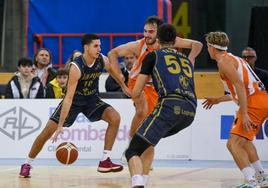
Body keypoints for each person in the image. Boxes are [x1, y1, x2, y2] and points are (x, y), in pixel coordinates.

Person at [19, 34, 131, 178]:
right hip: (74, 101)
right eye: (96, 46)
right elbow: (69, 98)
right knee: (47, 132)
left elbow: (113, 72)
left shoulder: (102, 59)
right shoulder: (76, 67)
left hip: (92, 100)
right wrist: (60, 126)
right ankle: (27, 163)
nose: (99, 49)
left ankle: (105, 160)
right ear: (86, 47)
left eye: (100, 45)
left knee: (115, 118)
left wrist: (124, 86)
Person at [108, 16, 202, 177]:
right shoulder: (139, 45)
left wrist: (192, 57)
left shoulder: (169, 41)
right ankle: (131, 143)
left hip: (156, 86)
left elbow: (197, 44)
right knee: (142, 109)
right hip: (138, 81)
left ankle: (142, 160)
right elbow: (112, 53)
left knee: (151, 124)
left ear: (159, 33)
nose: (147, 35)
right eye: (145, 31)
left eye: (151, 31)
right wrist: (121, 81)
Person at [203, 31, 268, 188]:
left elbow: (239, 86)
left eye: (207, 46)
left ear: (211, 47)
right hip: (261, 99)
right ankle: (262, 178)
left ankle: (251, 182)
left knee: (233, 144)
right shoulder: (232, 58)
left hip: (254, 102)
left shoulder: (223, 62)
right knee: (245, 142)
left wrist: (244, 113)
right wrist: (217, 100)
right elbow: (238, 89)